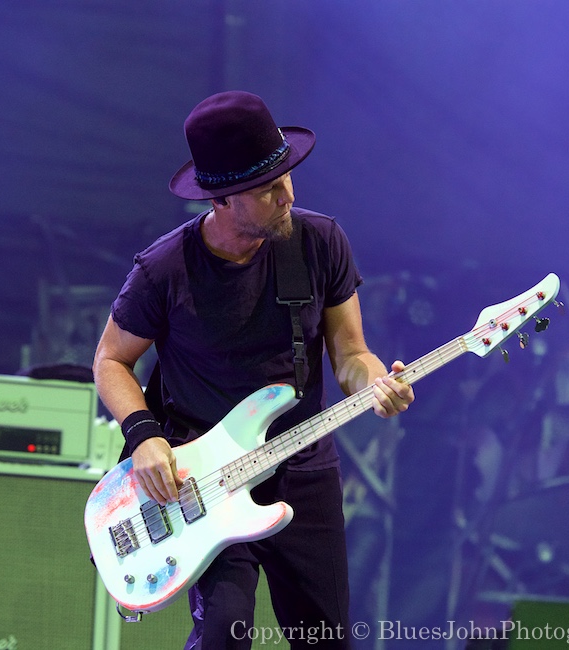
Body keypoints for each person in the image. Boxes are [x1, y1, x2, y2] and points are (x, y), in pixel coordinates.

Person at [93, 90, 414, 649]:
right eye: (268, 189)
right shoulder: (164, 269)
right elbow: (110, 359)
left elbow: (351, 356)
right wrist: (143, 436)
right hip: (203, 481)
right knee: (224, 632)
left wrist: (375, 384)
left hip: (303, 468)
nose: (288, 195)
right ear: (220, 199)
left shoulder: (320, 242)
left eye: (287, 177)